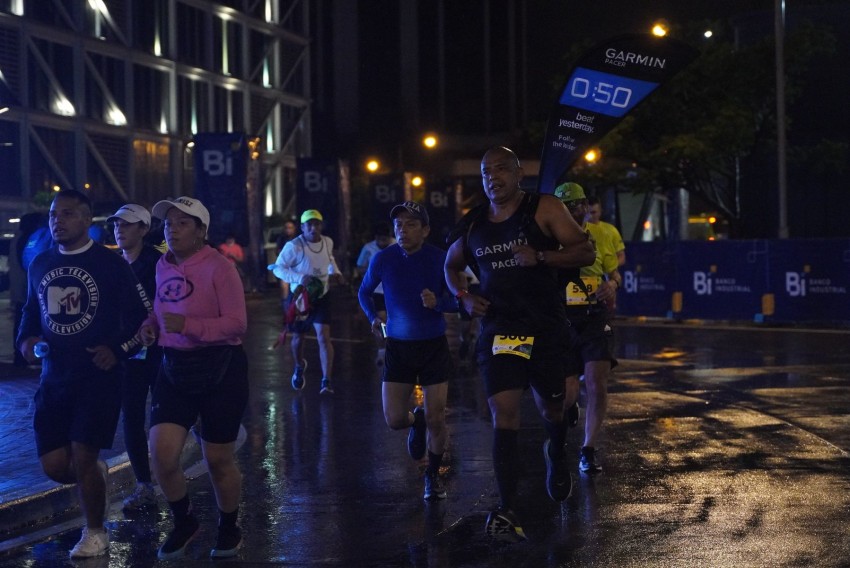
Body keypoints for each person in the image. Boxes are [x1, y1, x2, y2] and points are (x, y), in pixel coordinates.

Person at [444, 146, 595, 543]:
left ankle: (556, 452)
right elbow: (451, 266)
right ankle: (507, 509)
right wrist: (462, 297)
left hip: (545, 327)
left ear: (517, 174)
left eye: (500, 169)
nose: (492, 177)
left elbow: (585, 250)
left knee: (553, 407)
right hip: (501, 328)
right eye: (485, 172)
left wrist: (542, 257)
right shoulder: (474, 223)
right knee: (503, 411)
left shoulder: (543, 208)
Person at [16, 189, 149, 559]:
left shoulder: (109, 264)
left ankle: (95, 532)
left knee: (83, 454)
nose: (57, 221)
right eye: (53, 215)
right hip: (54, 377)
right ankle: (95, 477)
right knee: (56, 466)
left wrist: (118, 350)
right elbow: (31, 310)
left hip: (97, 377)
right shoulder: (40, 263)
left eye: (68, 214)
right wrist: (26, 340)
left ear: (87, 220)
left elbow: (141, 317)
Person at [139, 196, 249, 560]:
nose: (172, 230)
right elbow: (161, 307)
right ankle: (184, 522)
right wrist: (151, 325)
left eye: (182, 223)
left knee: (217, 459)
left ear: (201, 231)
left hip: (221, 368)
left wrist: (189, 325)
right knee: (161, 455)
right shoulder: (162, 265)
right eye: (168, 223)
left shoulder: (220, 267)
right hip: (174, 367)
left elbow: (237, 324)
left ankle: (229, 526)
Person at [358, 201, 456, 501]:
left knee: (437, 418)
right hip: (398, 347)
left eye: (411, 224)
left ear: (425, 230)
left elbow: (459, 299)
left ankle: (432, 475)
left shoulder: (440, 258)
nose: (403, 230)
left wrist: (438, 303)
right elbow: (364, 291)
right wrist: (372, 317)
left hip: (433, 346)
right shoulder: (383, 258)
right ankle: (417, 421)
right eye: (398, 225)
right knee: (394, 419)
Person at [555, 183, 620, 475]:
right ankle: (568, 410)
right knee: (568, 392)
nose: (575, 210)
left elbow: (614, 272)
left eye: (579, 204)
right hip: (562, 318)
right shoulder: (548, 238)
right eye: (567, 206)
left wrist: (612, 284)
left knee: (596, 381)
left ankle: (588, 449)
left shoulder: (603, 233)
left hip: (594, 315)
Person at [108, 204, 163, 511]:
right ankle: (144, 484)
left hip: (160, 349)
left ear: (143, 229)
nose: (120, 230)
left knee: (165, 416)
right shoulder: (113, 264)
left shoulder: (159, 262)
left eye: (127, 224)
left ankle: (172, 473)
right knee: (131, 417)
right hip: (128, 353)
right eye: (117, 225)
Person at [268, 209, 345, 395]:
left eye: (316, 224)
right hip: (301, 298)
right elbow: (277, 268)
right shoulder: (294, 246)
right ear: (302, 227)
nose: (313, 228)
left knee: (323, 337)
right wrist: (298, 277)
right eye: (309, 224)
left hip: (322, 295)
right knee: (298, 338)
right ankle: (298, 366)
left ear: (321, 225)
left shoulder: (327, 242)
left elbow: (330, 259)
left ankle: (326, 381)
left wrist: (336, 272)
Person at [9, 212, 47, 367]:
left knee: (21, 323)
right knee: (26, 322)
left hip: (20, 289)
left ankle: (20, 357)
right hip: (27, 289)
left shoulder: (18, 238)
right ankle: (26, 356)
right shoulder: (32, 239)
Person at [355, 222, 396, 365]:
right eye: (380, 239)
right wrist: (371, 273)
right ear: (376, 237)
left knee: (395, 320)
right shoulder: (368, 248)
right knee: (381, 320)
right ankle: (382, 349)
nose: (383, 241)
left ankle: (394, 348)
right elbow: (360, 266)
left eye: (386, 238)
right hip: (377, 291)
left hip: (394, 291)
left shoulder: (397, 245)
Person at [586, 196, 626, 267]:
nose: (590, 216)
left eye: (593, 212)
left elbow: (621, 256)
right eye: (588, 213)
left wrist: (610, 268)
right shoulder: (579, 230)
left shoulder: (611, 230)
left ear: (600, 211)